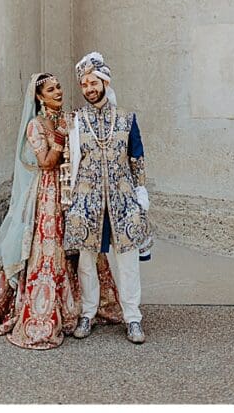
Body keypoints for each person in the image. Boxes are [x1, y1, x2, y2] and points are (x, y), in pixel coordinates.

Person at [0, 73, 122, 348]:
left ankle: (88, 306)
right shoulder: (35, 126)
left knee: (82, 248)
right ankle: (44, 315)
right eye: (51, 89)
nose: (58, 92)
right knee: (50, 251)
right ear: (39, 97)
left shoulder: (69, 118)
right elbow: (46, 162)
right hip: (48, 195)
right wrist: (62, 134)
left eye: (59, 87)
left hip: (72, 192)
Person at [66, 51, 153, 344]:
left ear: (105, 81)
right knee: (86, 261)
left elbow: (137, 157)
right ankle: (88, 313)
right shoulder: (77, 121)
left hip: (123, 201)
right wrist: (70, 201)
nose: (89, 89)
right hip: (88, 202)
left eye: (93, 82)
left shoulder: (127, 119)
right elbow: (70, 160)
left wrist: (141, 193)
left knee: (126, 260)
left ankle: (133, 318)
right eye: (84, 85)